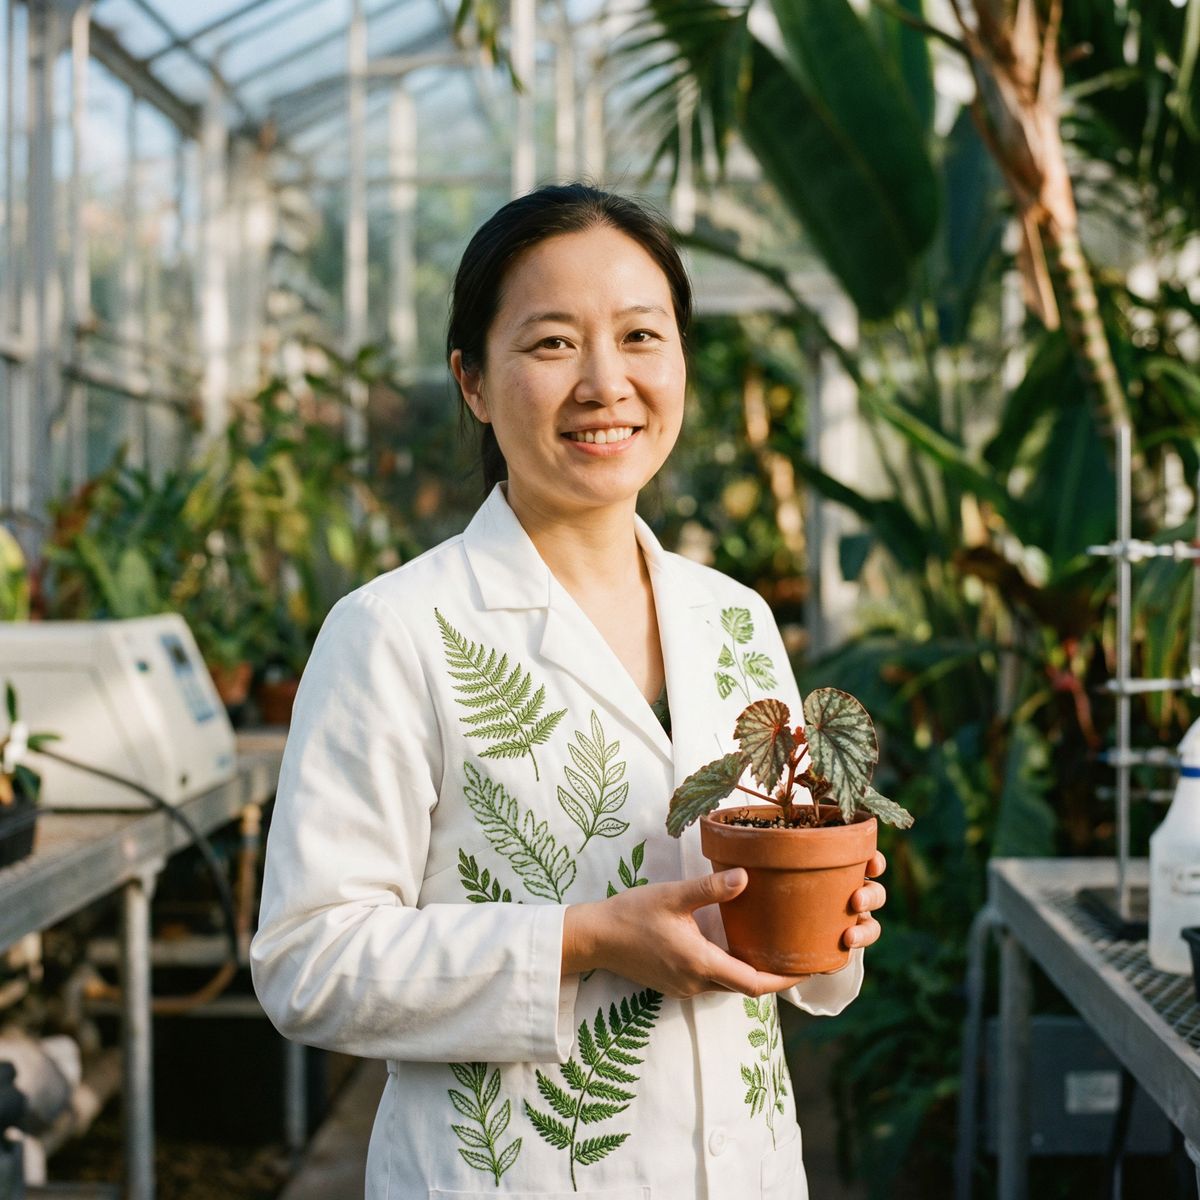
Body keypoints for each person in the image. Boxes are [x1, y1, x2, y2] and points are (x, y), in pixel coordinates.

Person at [251, 183, 887, 1199]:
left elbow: (780, 900)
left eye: (641, 336)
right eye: (552, 344)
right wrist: (585, 941)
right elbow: (307, 961)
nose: (606, 383)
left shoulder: (736, 619)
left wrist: (832, 918)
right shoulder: (395, 631)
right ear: (472, 380)